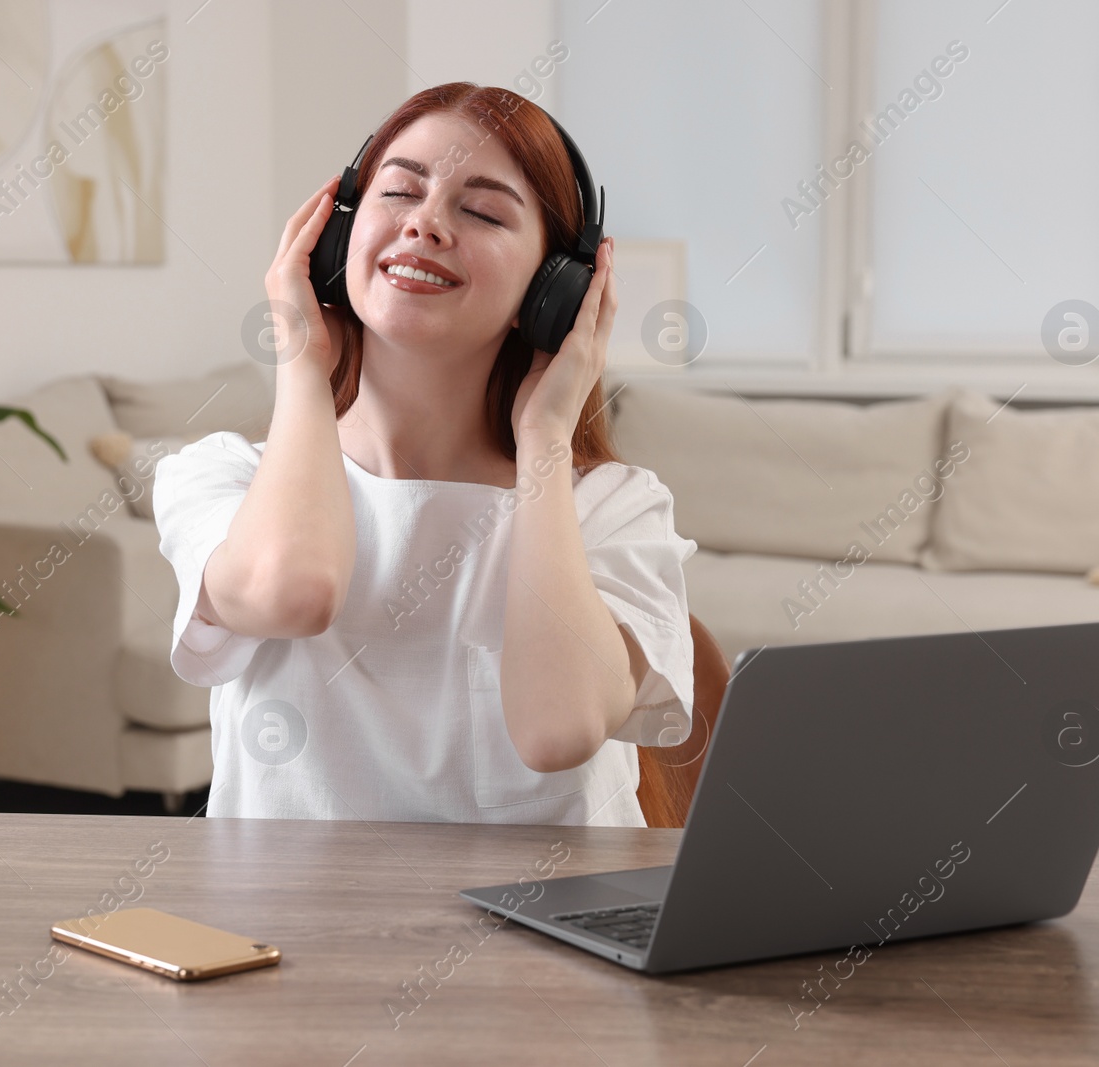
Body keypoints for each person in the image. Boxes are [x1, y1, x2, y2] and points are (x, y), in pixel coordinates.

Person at [153, 82, 697, 825]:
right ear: (338, 236)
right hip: (287, 933)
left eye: (480, 210)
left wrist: (545, 440)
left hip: (531, 937)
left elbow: (556, 728)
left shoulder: (614, 508)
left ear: (554, 292)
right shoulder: (222, 478)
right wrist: (303, 370)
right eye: (400, 192)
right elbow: (294, 593)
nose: (426, 225)